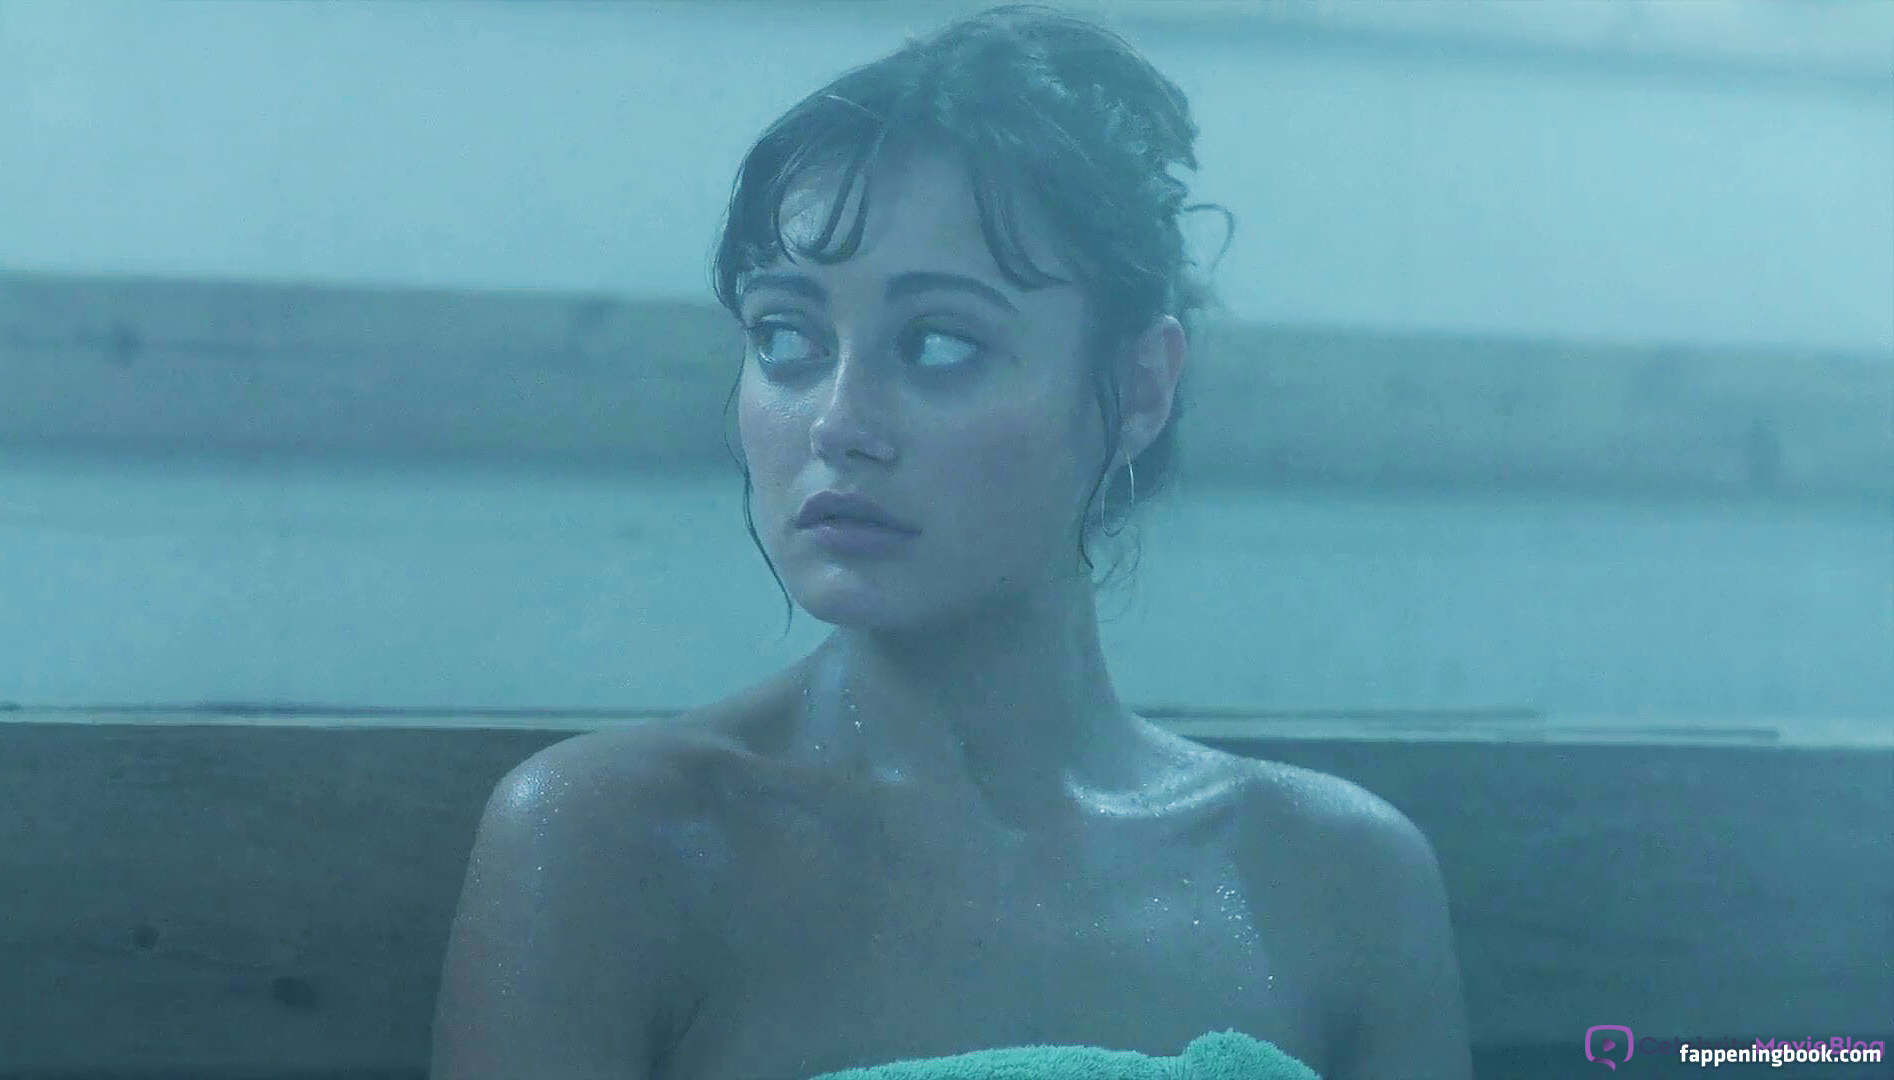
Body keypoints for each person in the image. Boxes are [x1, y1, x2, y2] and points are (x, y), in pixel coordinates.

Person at [431, 5, 1470, 1078]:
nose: (838, 422)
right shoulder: (611, 844)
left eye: (937, 343)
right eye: (786, 337)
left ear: (1136, 388)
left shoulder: (1338, 878)